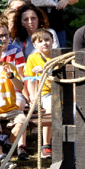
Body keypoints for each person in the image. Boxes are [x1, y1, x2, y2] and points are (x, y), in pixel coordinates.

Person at [0, 36, 26, 169]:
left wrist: (11, 76)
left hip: (11, 108)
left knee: (23, 121)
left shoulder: (9, 66)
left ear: (2, 51)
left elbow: (21, 87)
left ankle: (7, 147)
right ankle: (2, 157)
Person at [23, 29, 54, 158]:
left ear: (53, 41)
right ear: (35, 45)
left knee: (54, 106)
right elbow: (30, 80)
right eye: (40, 41)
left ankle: (49, 143)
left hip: (60, 91)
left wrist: (46, 69)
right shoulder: (32, 58)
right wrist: (33, 97)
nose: (45, 43)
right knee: (50, 107)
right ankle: (46, 145)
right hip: (44, 93)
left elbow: (63, 74)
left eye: (47, 40)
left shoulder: (58, 56)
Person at [0, 16, 27, 111]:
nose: (4, 38)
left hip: (13, 91)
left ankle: (16, 124)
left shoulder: (16, 50)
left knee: (18, 105)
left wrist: (26, 96)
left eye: (6, 35)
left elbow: (20, 75)